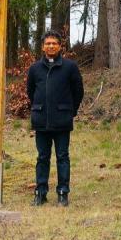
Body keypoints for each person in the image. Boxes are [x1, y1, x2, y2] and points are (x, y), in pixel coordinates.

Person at [26, 30, 84, 207]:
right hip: (41, 120)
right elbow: (30, 92)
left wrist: (70, 111)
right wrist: (38, 109)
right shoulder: (35, 69)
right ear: (43, 47)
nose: (51, 46)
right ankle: (40, 192)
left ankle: (62, 193)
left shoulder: (70, 67)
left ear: (60, 46)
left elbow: (78, 92)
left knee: (62, 156)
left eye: (54, 43)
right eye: (48, 43)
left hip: (62, 120)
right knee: (42, 157)